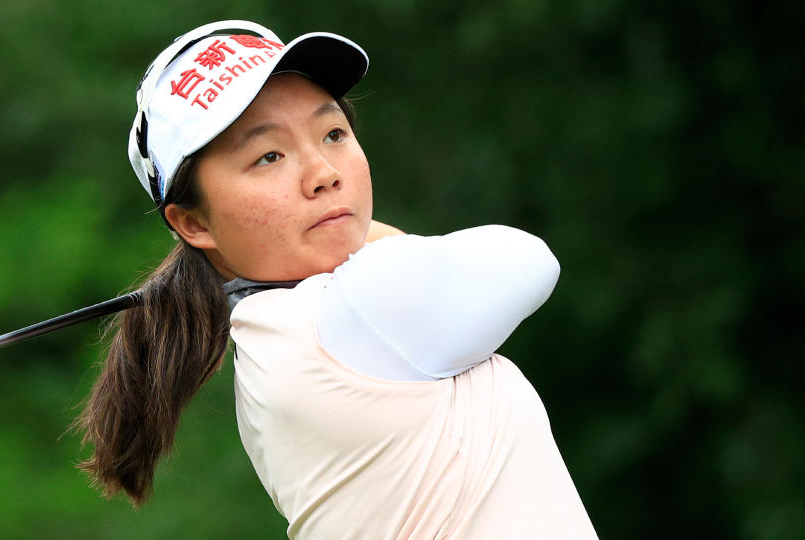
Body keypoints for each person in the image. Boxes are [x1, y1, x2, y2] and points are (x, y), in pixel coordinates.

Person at [74, 20, 598, 539]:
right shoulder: (346, 314)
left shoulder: (273, 336)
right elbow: (529, 260)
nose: (324, 171)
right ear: (193, 223)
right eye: (269, 156)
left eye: (333, 133)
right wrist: (354, 229)